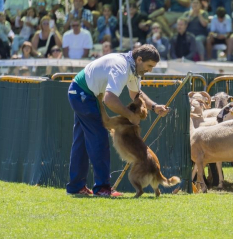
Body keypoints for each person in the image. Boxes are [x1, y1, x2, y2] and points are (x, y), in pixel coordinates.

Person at [66, 44, 169, 196]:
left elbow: (136, 94)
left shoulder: (133, 68)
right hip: (83, 94)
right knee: (99, 140)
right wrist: (130, 115)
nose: (150, 70)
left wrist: (154, 107)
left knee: (81, 143)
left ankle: (76, 187)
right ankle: (102, 188)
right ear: (139, 59)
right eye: (149, 66)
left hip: (81, 92)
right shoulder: (121, 68)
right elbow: (109, 99)